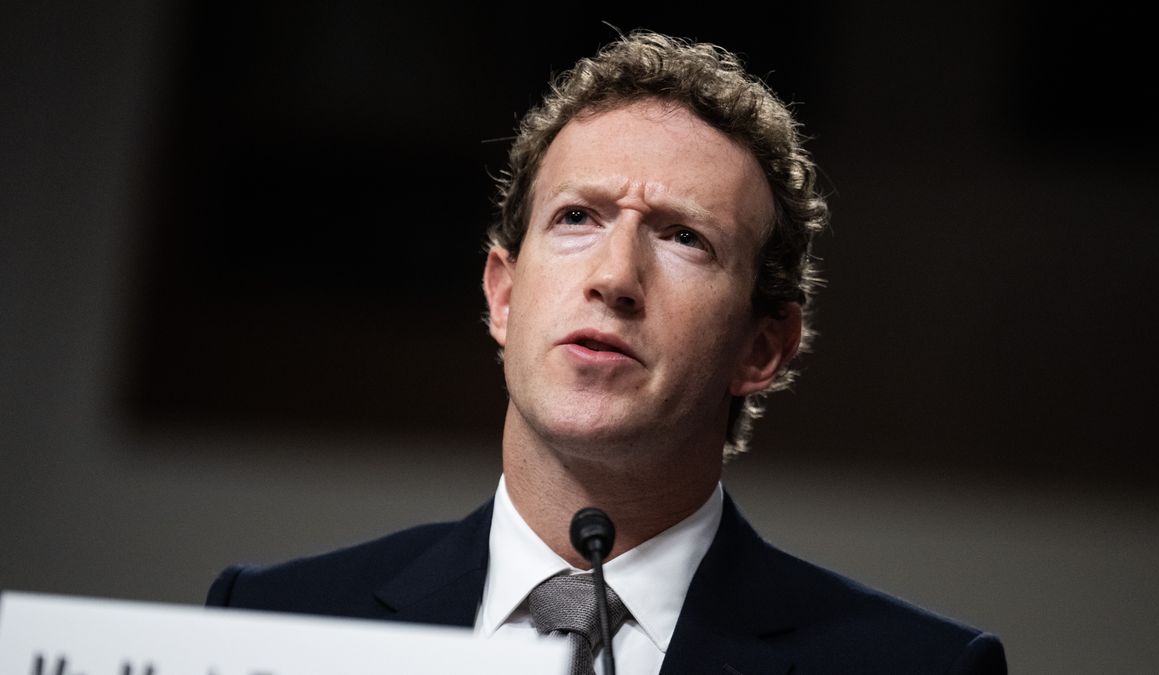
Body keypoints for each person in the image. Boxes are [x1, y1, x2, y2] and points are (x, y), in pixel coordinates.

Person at [206, 31, 1007, 674]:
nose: (615, 277)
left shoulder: (920, 666)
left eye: (684, 237)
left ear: (763, 348)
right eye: (578, 218)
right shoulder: (275, 623)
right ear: (504, 294)